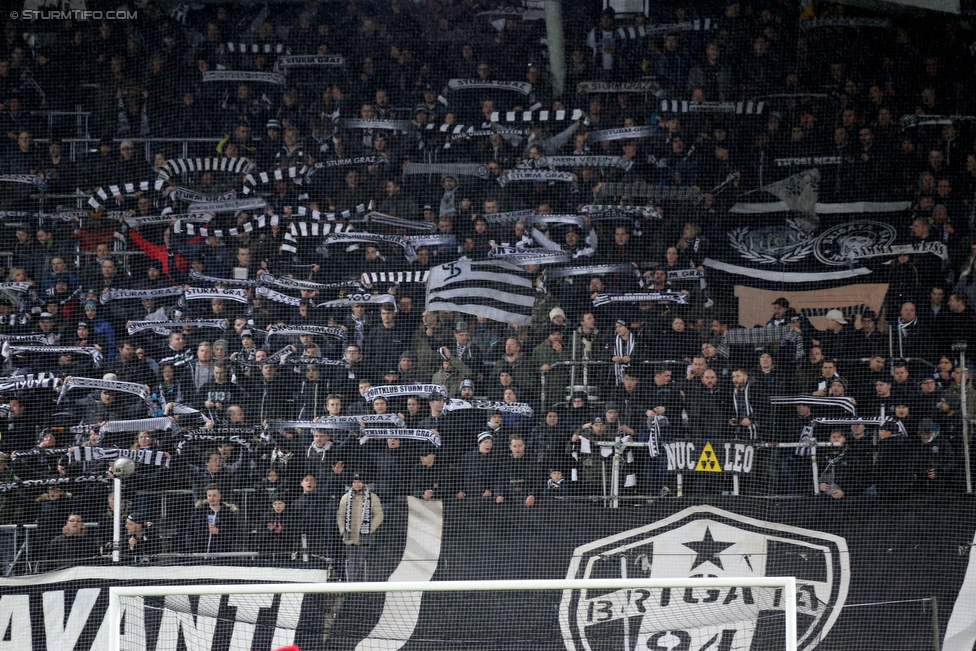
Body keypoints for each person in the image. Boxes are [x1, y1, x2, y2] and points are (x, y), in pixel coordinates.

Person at [336, 472, 383, 582]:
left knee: (363, 564)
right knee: (351, 563)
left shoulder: (372, 497)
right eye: (354, 482)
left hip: (365, 539)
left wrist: (369, 529)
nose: (356, 484)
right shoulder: (345, 497)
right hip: (349, 539)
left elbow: (379, 515)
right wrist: (343, 531)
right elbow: (340, 515)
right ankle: (351, 586)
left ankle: (363, 587)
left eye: (359, 482)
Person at [184, 484, 241, 554]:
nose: (211, 499)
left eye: (214, 495)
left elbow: (234, 532)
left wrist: (220, 532)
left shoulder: (227, 514)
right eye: (209, 496)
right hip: (200, 554)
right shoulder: (199, 512)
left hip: (221, 554)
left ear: (220, 496)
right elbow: (190, 530)